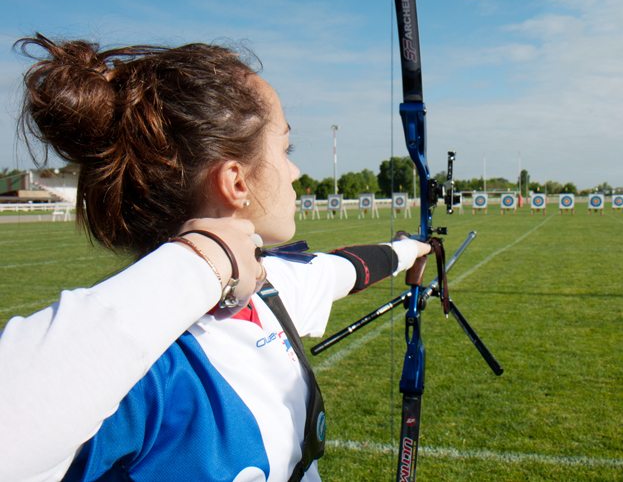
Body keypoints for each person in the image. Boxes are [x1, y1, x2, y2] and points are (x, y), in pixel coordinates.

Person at [0, 34, 431, 481]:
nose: (295, 172)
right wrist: (204, 259)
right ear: (236, 182)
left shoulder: (265, 287)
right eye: (286, 150)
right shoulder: (143, 370)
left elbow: (342, 271)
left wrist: (411, 250)